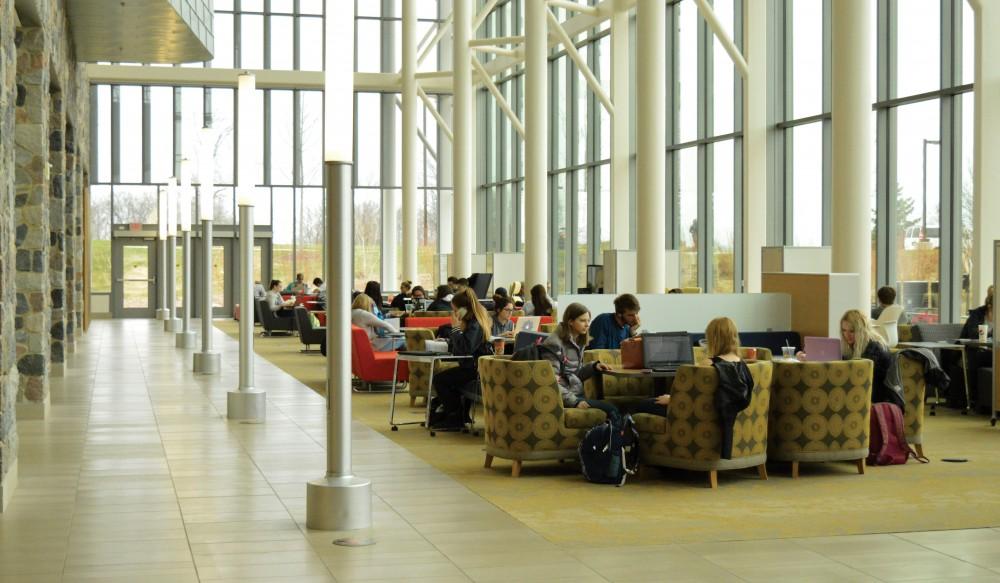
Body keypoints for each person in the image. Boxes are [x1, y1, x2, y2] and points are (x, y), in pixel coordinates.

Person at [798, 309, 899, 407]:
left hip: (874, 398)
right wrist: (810, 357)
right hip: (862, 393)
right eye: (844, 330)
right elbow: (843, 363)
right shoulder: (855, 346)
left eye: (852, 331)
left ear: (862, 330)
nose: (847, 335)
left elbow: (857, 375)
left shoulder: (874, 348)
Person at [429, 289, 495, 430]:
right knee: (447, 378)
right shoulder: (473, 321)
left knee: (440, 380)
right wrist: (448, 339)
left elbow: (466, 347)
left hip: (475, 369)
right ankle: (458, 416)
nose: (453, 314)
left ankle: (454, 419)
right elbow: (462, 345)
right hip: (472, 366)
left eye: (455, 310)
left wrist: (455, 329)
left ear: (464, 309)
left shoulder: (475, 324)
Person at [541, 303, 618, 422]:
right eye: (582, 320)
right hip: (564, 398)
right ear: (570, 321)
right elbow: (551, 381)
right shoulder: (554, 344)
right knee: (612, 410)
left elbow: (574, 374)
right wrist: (575, 402)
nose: (587, 325)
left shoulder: (578, 341)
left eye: (588, 320)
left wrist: (594, 367)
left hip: (575, 392)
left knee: (612, 410)